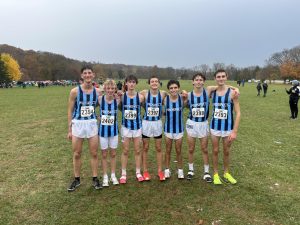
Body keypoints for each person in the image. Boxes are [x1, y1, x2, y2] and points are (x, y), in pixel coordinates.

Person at [67, 65, 102, 192]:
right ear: (82, 76)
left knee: (94, 153)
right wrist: (69, 129)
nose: (87, 75)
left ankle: (95, 178)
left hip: (92, 124)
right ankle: (77, 179)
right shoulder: (74, 91)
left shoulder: (98, 91)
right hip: (78, 124)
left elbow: (102, 103)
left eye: (90, 73)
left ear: (93, 75)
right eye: (85, 73)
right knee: (77, 153)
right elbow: (70, 110)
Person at [210, 69, 241, 185]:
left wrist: (234, 131)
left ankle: (226, 173)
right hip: (214, 127)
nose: (221, 78)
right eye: (218, 77)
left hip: (228, 128)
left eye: (223, 76)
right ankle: (216, 174)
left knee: (226, 151)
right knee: (215, 150)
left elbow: (238, 113)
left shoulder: (233, 93)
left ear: (226, 77)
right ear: (215, 78)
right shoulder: (212, 92)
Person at [140, 75, 168, 181]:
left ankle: (160, 171)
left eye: (156, 81)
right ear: (149, 83)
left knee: (159, 148)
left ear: (159, 83)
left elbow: (172, 98)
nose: (154, 83)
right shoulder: (144, 93)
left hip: (157, 123)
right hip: (146, 123)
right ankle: (145, 171)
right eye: (152, 81)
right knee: (145, 147)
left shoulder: (163, 94)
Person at [186, 73, 212, 182]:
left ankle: (206, 172)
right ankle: (191, 170)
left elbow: (223, 86)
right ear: (193, 82)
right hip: (192, 123)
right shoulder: (188, 95)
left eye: (201, 80)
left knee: (204, 149)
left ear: (203, 82)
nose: (198, 81)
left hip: (203, 123)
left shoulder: (208, 91)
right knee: (191, 148)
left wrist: (235, 88)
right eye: (196, 79)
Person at [119, 75, 145, 184]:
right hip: (126, 127)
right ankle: (123, 174)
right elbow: (119, 107)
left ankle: (138, 172)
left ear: (136, 83)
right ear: (126, 83)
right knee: (125, 151)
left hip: (137, 127)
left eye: (133, 82)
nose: (131, 84)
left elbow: (146, 108)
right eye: (129, 82)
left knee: (138, 150)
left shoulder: (140, 97)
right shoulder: (121, 96)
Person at [163, 80, 187, 179]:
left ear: (178, 88)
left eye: (175, 87)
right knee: (168, 150)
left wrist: (185, 92)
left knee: (178, 150)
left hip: (179, 129)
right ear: (168, 90)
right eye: (171, 88)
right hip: (168, 129)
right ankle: (167, 170)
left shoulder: (182, 98)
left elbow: (189, 94)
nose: (173, 90)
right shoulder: (165, 99)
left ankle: (180, 170)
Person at [99, 79, 120, 187]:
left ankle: (113, 175)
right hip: (102, 132)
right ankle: (105, 176)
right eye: (108, 88)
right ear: (105, 89)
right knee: (104, 154)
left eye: (112, 88)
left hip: (114, 132)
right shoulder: (100, 99)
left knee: (113, 154)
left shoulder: (118, 100)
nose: (110, 90)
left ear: (115, 89)